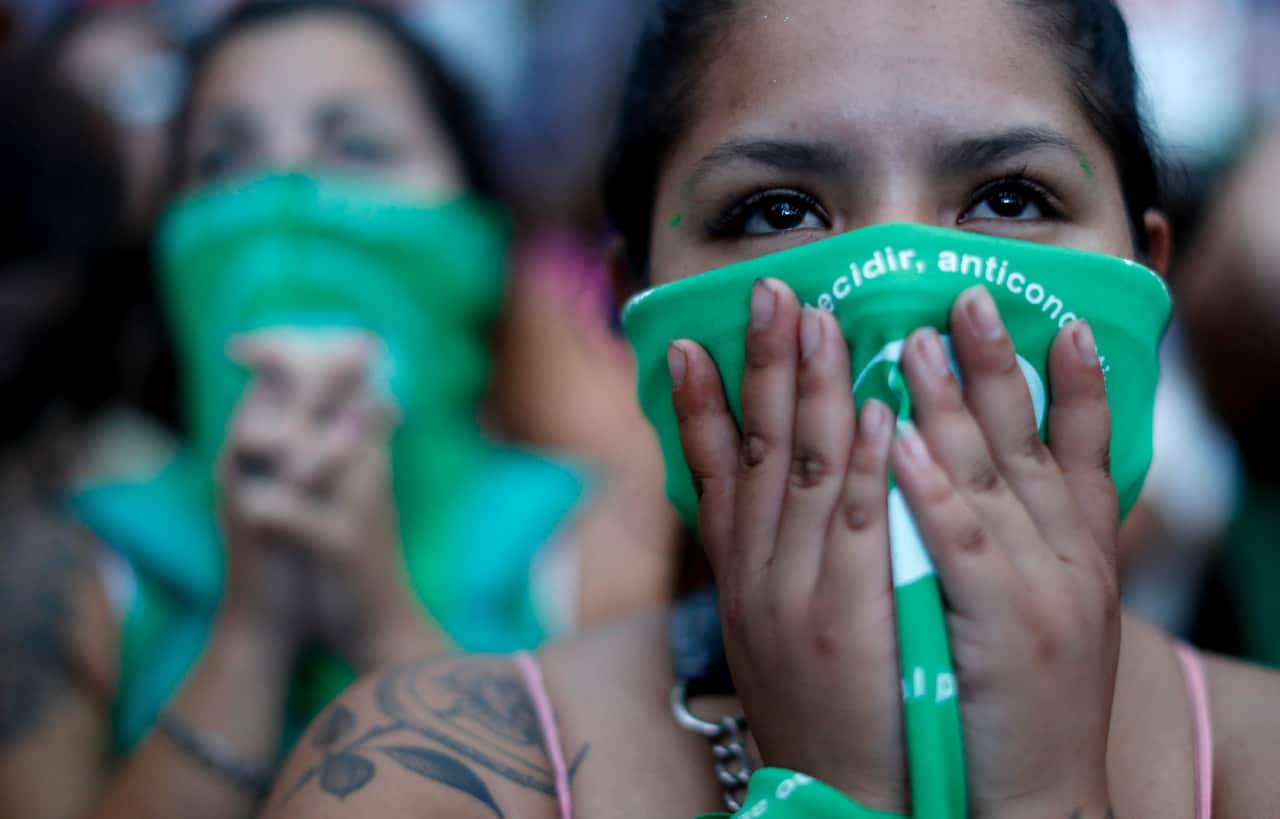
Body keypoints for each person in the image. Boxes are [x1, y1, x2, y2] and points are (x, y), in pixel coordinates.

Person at [261, 1, 1280, 817]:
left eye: (1007, 199)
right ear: (634, 312)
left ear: (1148, 274)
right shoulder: (425, 773)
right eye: (776, 211)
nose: (894, 295)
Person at [0, 3, 635, 818]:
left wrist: (380, 620)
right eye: (224, 160)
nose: (282, 196)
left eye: (357, 149)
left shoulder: (589, 548)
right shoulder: (73, 566)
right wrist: (251, 634)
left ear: (479, 234)